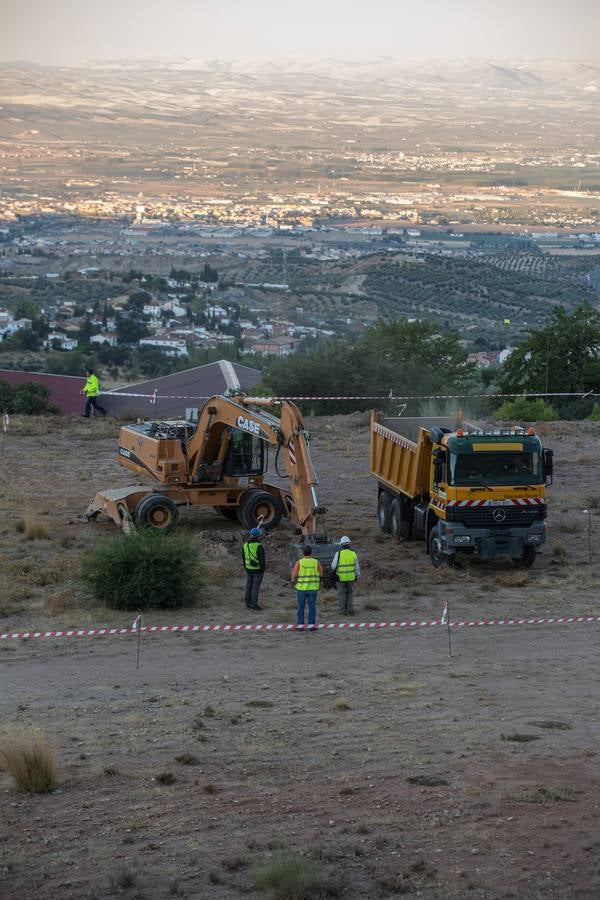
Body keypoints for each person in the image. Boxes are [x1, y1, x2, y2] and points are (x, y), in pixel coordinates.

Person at [292, 545, 322, 631]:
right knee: (312, 608)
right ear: (311, 552)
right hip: (313, 589)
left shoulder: (299, 562)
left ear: (303, 553)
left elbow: (294, 575)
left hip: (301, 589)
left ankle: (300, 626)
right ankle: (311, 626)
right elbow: (321, 574)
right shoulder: (316, 562)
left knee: (300, 608)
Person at [331, 535, 359, 616]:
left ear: (341, 545)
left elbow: (333, 566)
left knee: (342, 594)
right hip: (351, 578)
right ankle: (350, 611)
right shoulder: (353, 554)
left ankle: (342, 611)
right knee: (350, 593)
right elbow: (356, 567)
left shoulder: (338, 554)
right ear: (349, 544)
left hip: (340, 578)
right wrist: (356, 575)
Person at [242, 527, 265, 611]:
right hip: (258, 570)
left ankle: (247, 603)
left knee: (248, 587)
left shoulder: (245, 545)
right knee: (255, 588)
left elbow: (243, 558)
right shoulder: (259, 546)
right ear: (258, 536)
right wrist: (263, 570)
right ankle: (254, 604)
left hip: (248, 569)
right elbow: (262, 560)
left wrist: (246, 567)